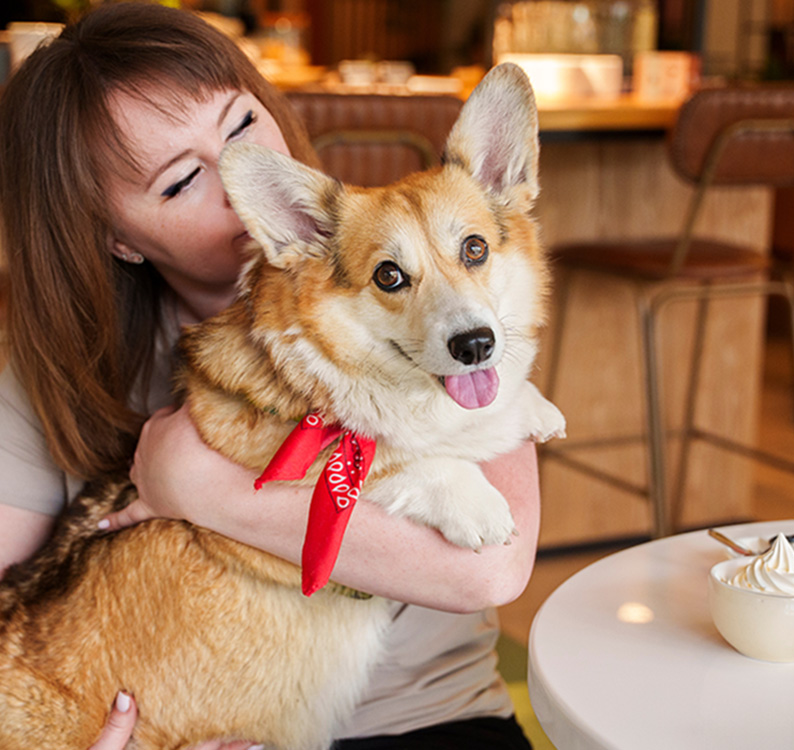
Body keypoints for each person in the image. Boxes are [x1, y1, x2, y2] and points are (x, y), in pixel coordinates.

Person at [0, 5, 539, 749]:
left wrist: (196, 489)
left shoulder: (415, 263)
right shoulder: (39, 363)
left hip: (426, 714)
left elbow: (489, 570)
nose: (235, 180)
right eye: (183, 180)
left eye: (242, 126)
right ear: (116, 238)